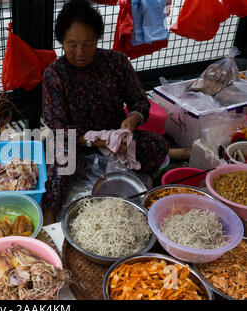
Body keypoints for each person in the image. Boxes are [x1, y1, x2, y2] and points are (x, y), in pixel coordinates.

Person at [41, 0, 175, 225]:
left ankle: (139, 187)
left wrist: (131, 122)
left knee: (157, 146)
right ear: (62, 42)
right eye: (71, 44)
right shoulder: (55, 75)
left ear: (97, 39)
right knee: (59, 160)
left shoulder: (116, 62)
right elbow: (58, 126)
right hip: (76, 141)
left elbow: (139, 102)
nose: (80, 52)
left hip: (117, 140)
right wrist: (96, 141)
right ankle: (49, 217)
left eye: (88, 43)